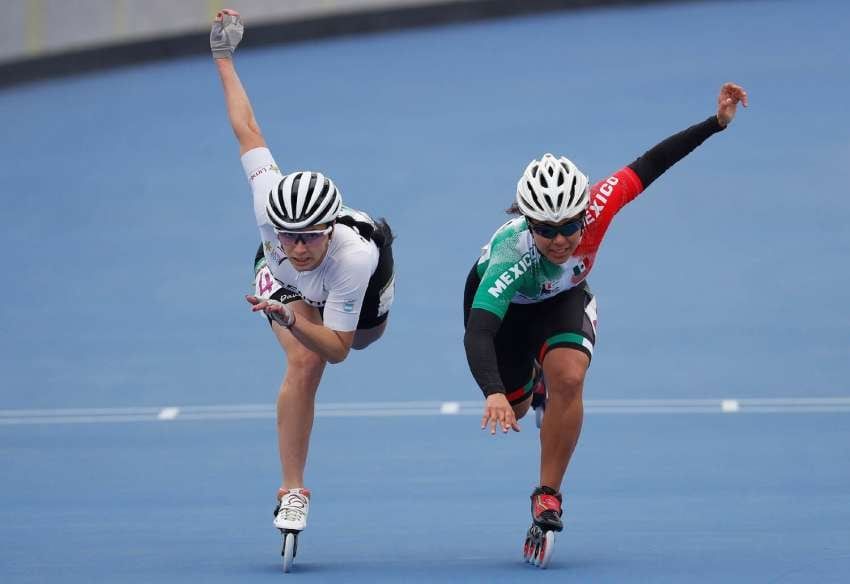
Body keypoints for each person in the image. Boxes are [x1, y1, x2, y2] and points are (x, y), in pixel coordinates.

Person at [462, 83, 748, 564]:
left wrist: (715, 124)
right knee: (515, 400)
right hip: (506, 315)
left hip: (562, 298)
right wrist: (492, 391)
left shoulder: (599, 206)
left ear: (583, 213)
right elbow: (479, 332)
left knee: (569, 378)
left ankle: (547, 493)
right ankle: (528, 389)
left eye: (570, 226)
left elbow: (652, 163)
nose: (560, 239)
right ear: (528, 223)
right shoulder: (509, 258)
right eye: (546, 230)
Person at [211, 9, 396, 541]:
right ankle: (292, 490)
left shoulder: (353, 257)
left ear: (328, 228)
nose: (295, 246)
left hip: (356, 284)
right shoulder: (267, 198)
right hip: (284, 287)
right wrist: (223, 57)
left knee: (361, 344)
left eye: (307, 237)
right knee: (304, 364)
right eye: (286, 235)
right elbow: (247, 128)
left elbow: (341, 347)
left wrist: (300, 321)